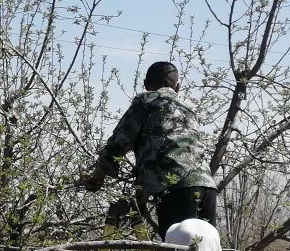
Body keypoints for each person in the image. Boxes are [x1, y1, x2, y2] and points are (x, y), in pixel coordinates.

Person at [77, 61, 217, 238]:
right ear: (178, 87)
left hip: (175, 190)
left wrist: (97, 177)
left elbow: (117, 144)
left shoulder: (146, 101)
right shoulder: (188, 108)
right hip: (208, 188)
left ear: (146, 85)